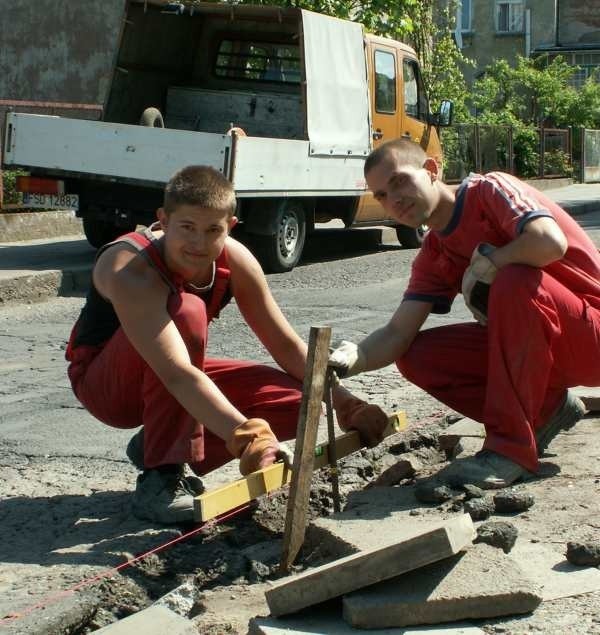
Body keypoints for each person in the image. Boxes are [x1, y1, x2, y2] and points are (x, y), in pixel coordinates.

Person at [66, 166, 388, 524]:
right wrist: (248, 439)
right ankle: (161, 478)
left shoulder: (233, 260)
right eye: (187, 227)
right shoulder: (130, 269)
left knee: (304, 407)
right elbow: (176, 373)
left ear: (230, 226)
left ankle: (156, 445)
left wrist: (347, 405)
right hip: (108, 387)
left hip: (173, 376)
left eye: (213, 230)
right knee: (187, 312)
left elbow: (284, 346)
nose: (199, 244)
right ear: (163, 220)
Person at [329, 138, 600, 490]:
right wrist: (357, 356)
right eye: (381, 195)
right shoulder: (434, 252)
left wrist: (494, 262)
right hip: (544, 351)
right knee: (416, 356)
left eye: (398, 181)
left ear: (431, 170)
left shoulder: (488, 191)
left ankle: (510, 450)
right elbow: (398, 333)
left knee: (515, 279)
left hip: (589, 336)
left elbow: (549, 242)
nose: (393, 199)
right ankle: (548, 410)